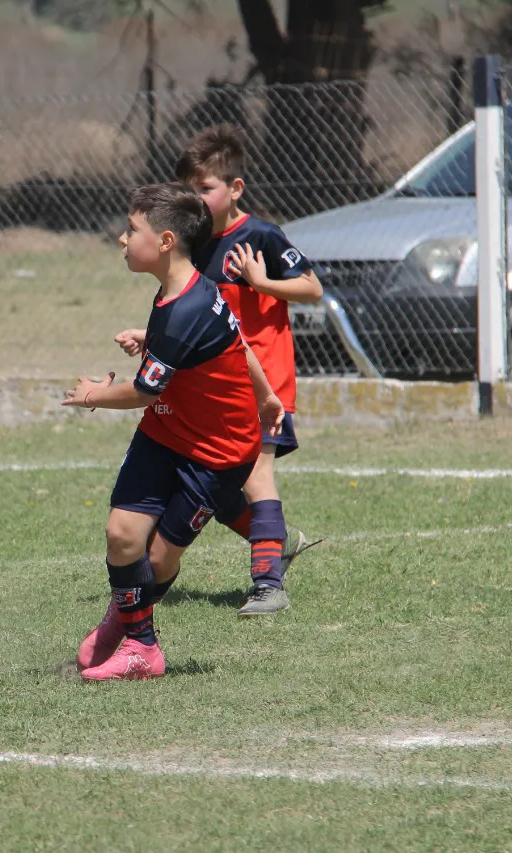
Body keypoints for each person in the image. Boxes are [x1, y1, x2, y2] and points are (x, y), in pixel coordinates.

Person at [63, 182, 283, 681]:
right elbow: (234, 344)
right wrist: (266, 395)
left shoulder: (187, 307)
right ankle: (142, 644)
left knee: (159, 561)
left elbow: (145, 391)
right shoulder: (180, 292)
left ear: (165, 241)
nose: (122, 240)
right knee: (122, 534)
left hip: (217, 454)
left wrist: (93, 394)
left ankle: (131, 626)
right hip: (165, 435)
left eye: (131, 229)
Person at [118, 124, 323, 616]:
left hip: (262, 379)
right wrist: (153, 339)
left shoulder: (261, 236)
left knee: (256, 473)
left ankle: (268, 585)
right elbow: (205, 319)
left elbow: (313, 289)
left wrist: (263, 281)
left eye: (205, 188)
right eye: (188, 189)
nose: (196, 198)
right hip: (214, 386)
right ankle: (272, 537)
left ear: (234, 189)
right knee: (220, 486)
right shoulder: (191, 245)